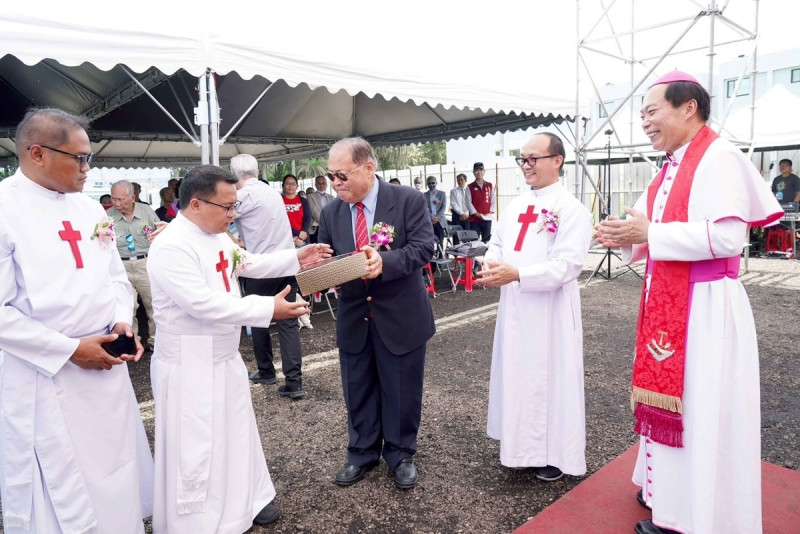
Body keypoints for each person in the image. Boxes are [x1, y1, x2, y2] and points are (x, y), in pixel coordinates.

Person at [594, 71, 782, 534]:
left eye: (652, 112)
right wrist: (620, 233)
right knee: (680, 404)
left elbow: (727, 236)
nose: (645, 123)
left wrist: (648, 234)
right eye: (642, 115)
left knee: (699, 408)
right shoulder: (672, 165)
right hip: (673, 300)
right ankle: (668, 495)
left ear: (688, 108)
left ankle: (691, 517)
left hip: (705, 306)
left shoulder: (718, 158)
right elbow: (642, 226)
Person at [147, 164, 332, 533]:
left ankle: (247, 500)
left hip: (223, 357)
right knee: (196, 447)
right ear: (196, 204)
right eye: (228, 207)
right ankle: (197, 521)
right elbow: (202, 304)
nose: (233, 216)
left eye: (235, 208)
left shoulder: (217, 235)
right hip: (189, 364)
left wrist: (297, 256)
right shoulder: (171, 246)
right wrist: (268, 309)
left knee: (235, 433)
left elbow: (247, 263)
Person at [0, 108, 153, 533]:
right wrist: (70, 349)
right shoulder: (4, 209)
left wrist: (122, 321)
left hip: (104, 365)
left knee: (116, 465)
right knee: (64, 486)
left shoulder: (88, 210)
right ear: (37, 153)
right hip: (45, 373)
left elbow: (115, 278)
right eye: (80, 158)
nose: (89, 168)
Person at [318, 137, 435, 490]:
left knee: (400, 387)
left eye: (341, 175)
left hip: (400, 314)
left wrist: (385, 261)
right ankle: (362, 452)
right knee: (358, 387)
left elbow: (423, 248)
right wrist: (319, 272)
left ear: (368, 168)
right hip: (355, 314)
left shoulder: (407, 201)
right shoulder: (331, 211)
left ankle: (400, 453)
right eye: (330, 176)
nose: (335, 184)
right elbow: (327, 259)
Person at [476, 132, 592, 482]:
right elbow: (495, 242)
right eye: (522, 159)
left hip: (550, 310)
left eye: (533, 159)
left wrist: (519, 274)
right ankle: (520, 446)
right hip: (515, 309)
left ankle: (555, 453)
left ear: (557, 161)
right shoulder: (515, 206)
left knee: (550, 378)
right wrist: (492, 262)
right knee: (519, 376)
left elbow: (568, 265)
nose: (526, 166)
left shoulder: (571, 209)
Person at [231, 155, 307, 399]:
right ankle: (294, 382)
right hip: (285, 263)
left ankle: (266, 370)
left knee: (258, 318)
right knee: (288, 323)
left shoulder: (241, 197)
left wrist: (234, 242)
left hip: (260, 266)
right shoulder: (272, 192)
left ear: (234, 175)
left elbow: (220, 221)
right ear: (257, 170)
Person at [107, 179, 161, 351]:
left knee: (153, 303)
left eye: (120, 199)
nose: (116, 203)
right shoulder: (108, 216)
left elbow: (160, 233)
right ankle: (131, 342)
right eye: (113, 199)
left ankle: (155, 342)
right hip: (120, 265)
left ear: (133, 198)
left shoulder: (146, 211)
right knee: (126, 307)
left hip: (144, 263)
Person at [468, 162, 495, 242]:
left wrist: (490, 211)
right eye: (476, 170)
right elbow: (468, 203)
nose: (479, 172)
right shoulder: (470, 187)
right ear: (473, 172)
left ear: (484, 171)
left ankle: (486, 255)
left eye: (481, 169)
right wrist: (476, 214)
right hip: (474, 219)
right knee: (474, 242)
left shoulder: (490, 185)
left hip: (487, 218)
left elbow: (493, 199)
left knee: (486, 241)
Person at [282, 174, 312, 246]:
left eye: (293, 183)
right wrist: (297, 234)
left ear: (297, 186)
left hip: (303, 238)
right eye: (287, 183)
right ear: (283, 186)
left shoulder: (303, 201)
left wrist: (302, 235)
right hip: (286, 239)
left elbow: (308, 219)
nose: (290, 186)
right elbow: (280, 222)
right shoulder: (279, 201)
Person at [306, 174, 334, 244]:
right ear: (315, 185)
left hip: (330, 227)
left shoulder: (332, 197)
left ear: (326, 185)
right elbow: (314, 212)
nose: (321, 185)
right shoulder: (310, 197)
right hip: (316, 229)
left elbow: (334, 212)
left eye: (323, 183)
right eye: (319, 183)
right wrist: (326, 223)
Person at [449, 172, 475, 243]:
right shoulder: (453, 191)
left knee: (467, 235)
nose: (460, 181)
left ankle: (467, 251)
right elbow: (453, 204)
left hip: (467, 216)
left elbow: (471, 203)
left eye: (462, 180)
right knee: (456, 235)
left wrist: (466, 214)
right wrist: (461, 214)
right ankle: (456, 253)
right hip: (457, 216)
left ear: (465, 180)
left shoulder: (469, 190)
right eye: (458, 180)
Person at [423, 175, 447, 247]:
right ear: (427, 184)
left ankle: (440, 257)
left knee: (440, 240)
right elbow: (425, 208)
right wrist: (431, 218)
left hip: (440, 221)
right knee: (430, 241)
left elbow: (443, 207)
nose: (431, 185)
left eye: (433, 183)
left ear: (436, 183)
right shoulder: (424, 195)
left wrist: (437, 217)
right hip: (429, 221)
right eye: (429, 183)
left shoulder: (442, 194)